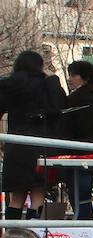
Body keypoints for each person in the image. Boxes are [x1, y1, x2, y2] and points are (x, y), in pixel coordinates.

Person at [0, 51, 65, 220]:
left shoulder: (9, 84)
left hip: (16, 144)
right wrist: (52, 77)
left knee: (16, 196)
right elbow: (58, 106)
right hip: (40, 144)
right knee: (38, 193)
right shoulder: (45, 84)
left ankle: (11, 235)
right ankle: (32, 233)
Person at [60, 60, 93, 221]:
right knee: (78, 193)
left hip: (82, 155)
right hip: (85, 154)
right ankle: (84, 224)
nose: (70, 79)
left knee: (79, 193)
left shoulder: (84, 99)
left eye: (73, 75)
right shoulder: (91, 98)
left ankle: (84, 225)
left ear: (85, 78)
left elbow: (79, 126)